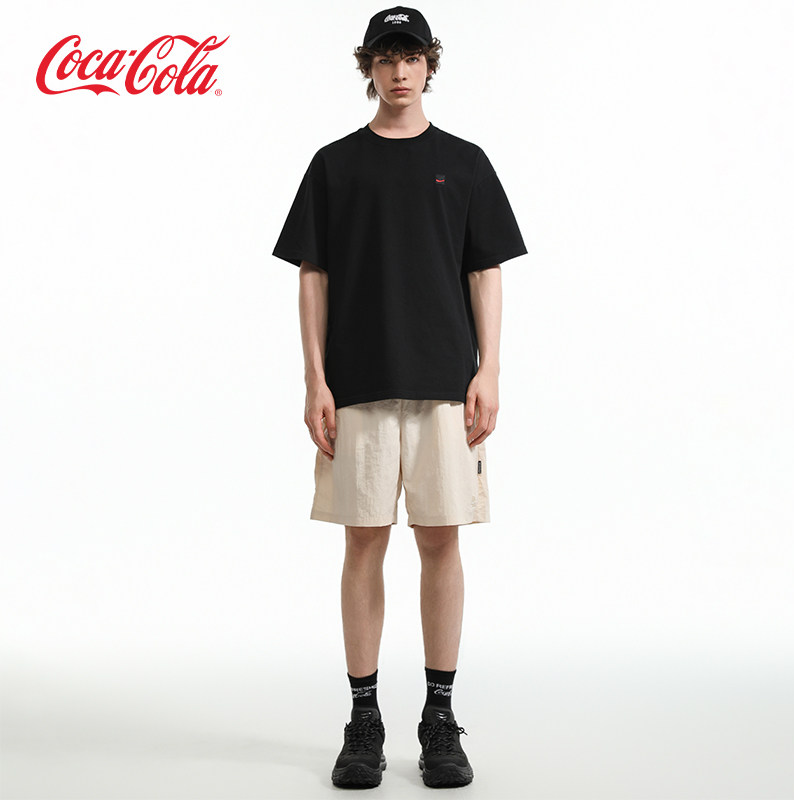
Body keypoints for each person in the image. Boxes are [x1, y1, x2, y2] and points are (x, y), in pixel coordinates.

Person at [272, 5, 527, 789]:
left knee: (442, 541)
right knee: (363, 543)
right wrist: (315, 378)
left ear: (429, 65)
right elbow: (313, 275)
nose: (399, 70)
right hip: (358, 383)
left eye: (411, 56)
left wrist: (489, 369)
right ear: (369, 68)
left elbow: (485, 269)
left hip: (447, 383)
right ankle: (364, 719)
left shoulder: (465, 162)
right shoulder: (334, 165)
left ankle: (439, 717)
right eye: (385, 57)